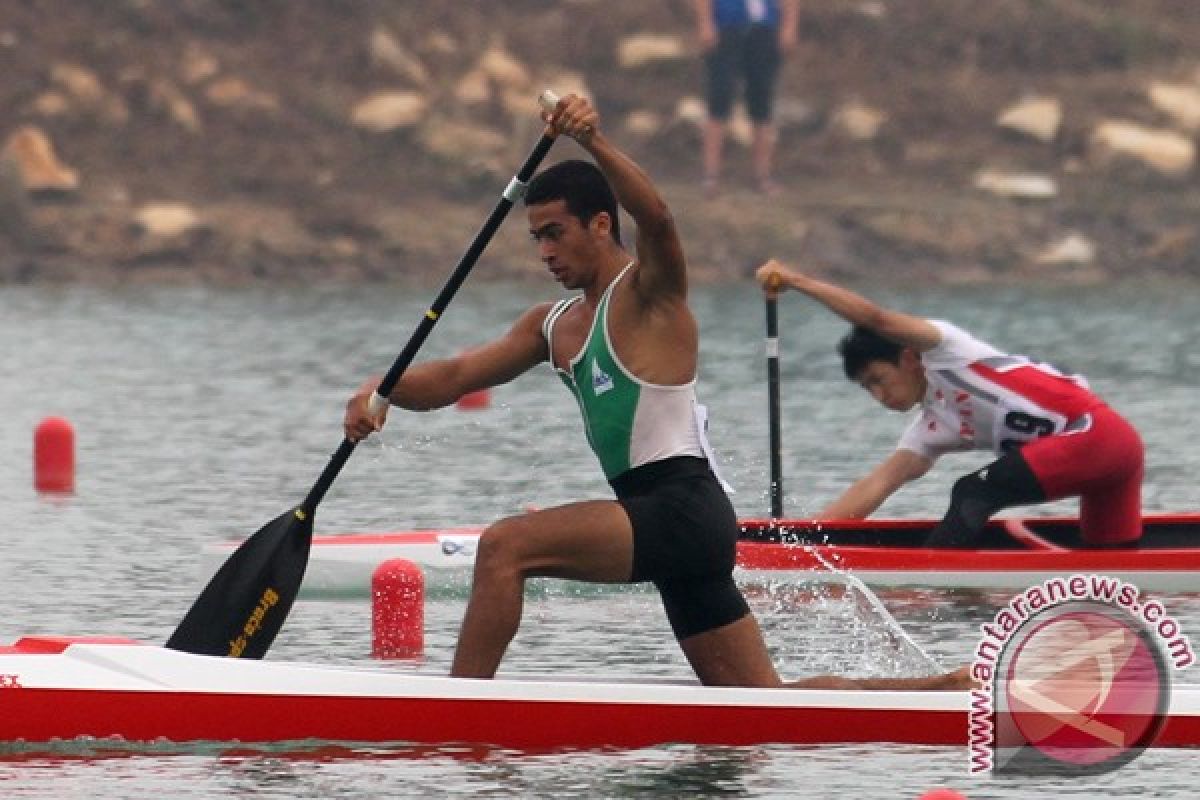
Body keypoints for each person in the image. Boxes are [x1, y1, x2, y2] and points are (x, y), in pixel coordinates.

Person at [345, 95, 968, 691]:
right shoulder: (551, 325)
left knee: (506, 548)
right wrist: (383, 389)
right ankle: (938, 692)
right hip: (667, 524)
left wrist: (593, 139)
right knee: (759, 705)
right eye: (536, 237)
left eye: (556, 232)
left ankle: (463, 712)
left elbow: (661, 219)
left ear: (600, 223)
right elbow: (454, 379)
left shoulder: (650, 295)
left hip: (681, 509)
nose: (545, 251)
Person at [755, 259, 1145, 548]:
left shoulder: (948, 350)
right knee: (1116, 571)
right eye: (867, 389)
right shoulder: (932, 428)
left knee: (971, 492)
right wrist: (800, 541)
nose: (879, 396)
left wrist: (798, 281)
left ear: (908, 359)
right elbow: (878, 484)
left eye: (878, 380)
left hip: (1099, 436)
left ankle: (937, 595)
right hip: (1113, 459)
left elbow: (877, 319)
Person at [693, 0, 800, 196]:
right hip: (725, 27)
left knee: (762, 103)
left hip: (764, 29)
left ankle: (762, 176)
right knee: (719, 99)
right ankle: (711, 176)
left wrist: (789, 25)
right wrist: (705, 23)